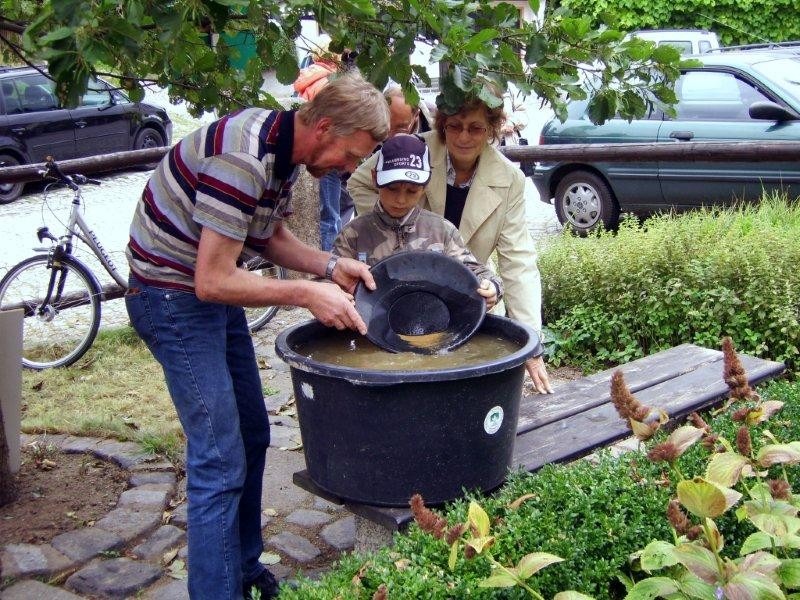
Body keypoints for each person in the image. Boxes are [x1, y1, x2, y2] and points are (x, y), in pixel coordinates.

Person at [124, 74, 390, 600]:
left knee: (252, 433)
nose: (349, 168)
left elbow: (265, 235)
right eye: (350, 155)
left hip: (200, 293)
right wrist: (308, 295)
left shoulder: (283, 149)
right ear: (325, 126)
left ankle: (242, 567)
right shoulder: (242, 160)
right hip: (169, 295)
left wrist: (330, 266)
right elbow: (214, 280)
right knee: (219, 457)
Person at [348, 91, 553, 394]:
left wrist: (531, 343)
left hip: (464, 296)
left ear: (492, 129)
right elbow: (360, 182)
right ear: (442, 125)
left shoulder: (510, 179)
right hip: (400, 293)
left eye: (475, 128)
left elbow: (518, 262)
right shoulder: (413, 152)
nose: (464, 137)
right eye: (454, 126)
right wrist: (394, 230)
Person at [333, 133, 501, 308]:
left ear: (425, 186)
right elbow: (328, 279)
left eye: (412, 191)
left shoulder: (442, 231)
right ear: (375, 178)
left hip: (431, 322)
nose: (400, 200)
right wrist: (337, 295)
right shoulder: (353, 234)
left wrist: (492, 287)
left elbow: (475, 272)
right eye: (392, 188)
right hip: (369, 327)